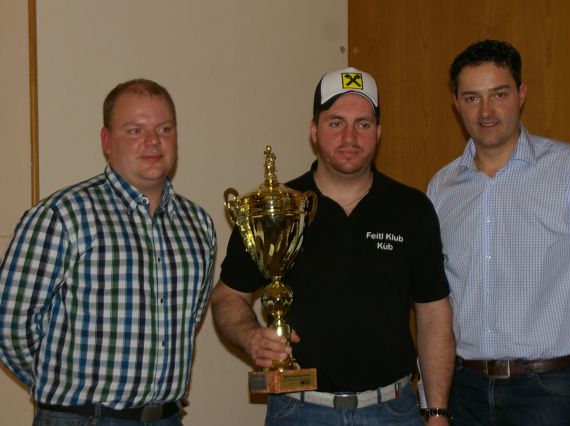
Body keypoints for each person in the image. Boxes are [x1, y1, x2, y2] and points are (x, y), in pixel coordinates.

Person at [212, 67, 454, 425]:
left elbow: (433, 313)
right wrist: (251, 338)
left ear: (378, 132)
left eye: (363, 124)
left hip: (393, 411)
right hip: (299, 411)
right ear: (314, 131)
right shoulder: (278, 210)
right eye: (336, 123)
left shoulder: (411, 209)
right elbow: (227, 296)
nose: (350, 137)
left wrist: (437, 412)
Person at [427, 39, 570, 425]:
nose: (486, 111)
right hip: (466, 392)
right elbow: (436, 305)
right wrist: (433, 402)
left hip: (553, 394)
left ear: (521, 94)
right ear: (456, 103)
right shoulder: (441, 188)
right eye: (472, 98)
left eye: (499, 94)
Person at [0, 78, 216, 425]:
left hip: (167, 418)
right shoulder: (62, 215)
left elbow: (189, 322)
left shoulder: (198, 224)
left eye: (164, 128)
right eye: (134, 130)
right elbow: (9, 323)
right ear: (106, 141)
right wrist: (59, 387)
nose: (152, 141)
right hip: (83, 418)